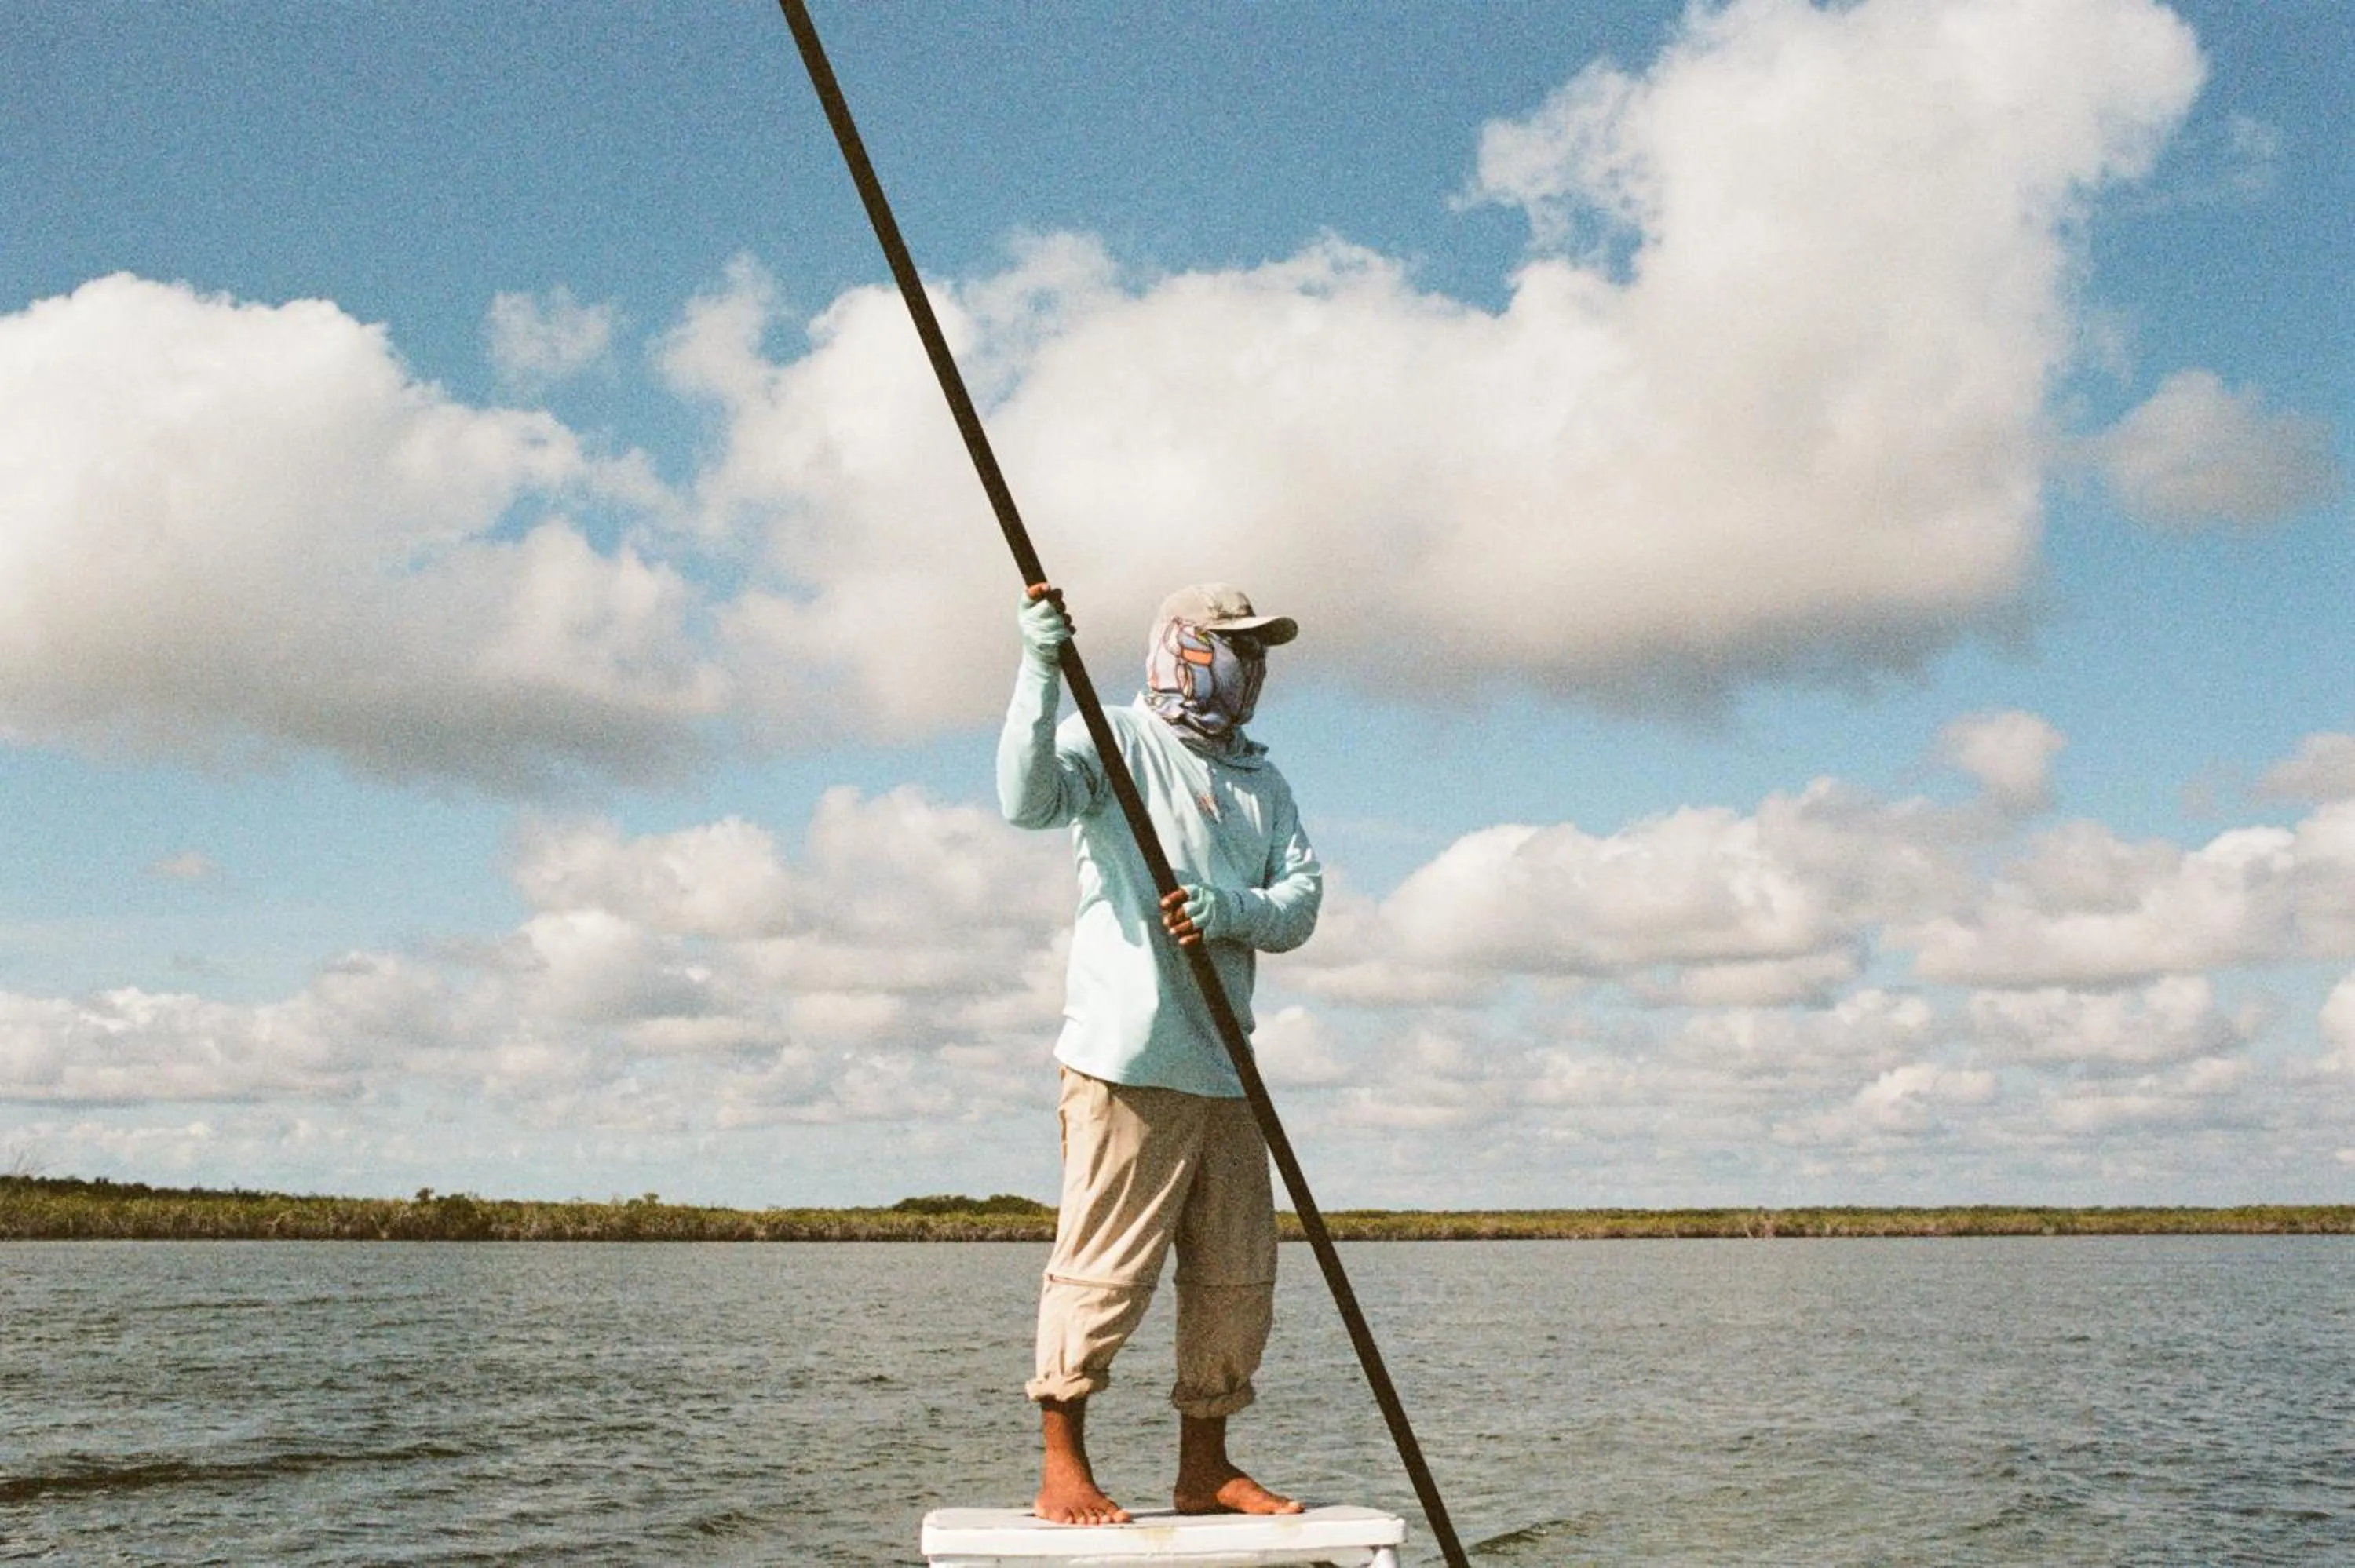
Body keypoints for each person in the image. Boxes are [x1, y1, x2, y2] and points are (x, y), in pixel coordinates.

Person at [999, 579, 1323, 1526]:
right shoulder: (1118, 739)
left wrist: (1234, 912)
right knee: (1103, 1269)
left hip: (1227, 1067)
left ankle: (1205, 1468)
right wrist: (1040, 669)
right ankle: (1063, 1466)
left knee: (1236, 1278)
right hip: (1126, 1060)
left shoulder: (1265, 780)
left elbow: (1300, 903)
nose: (1248, 667)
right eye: (1233, 645)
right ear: (1182, 646)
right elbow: (1026, 799)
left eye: (1258, 651)